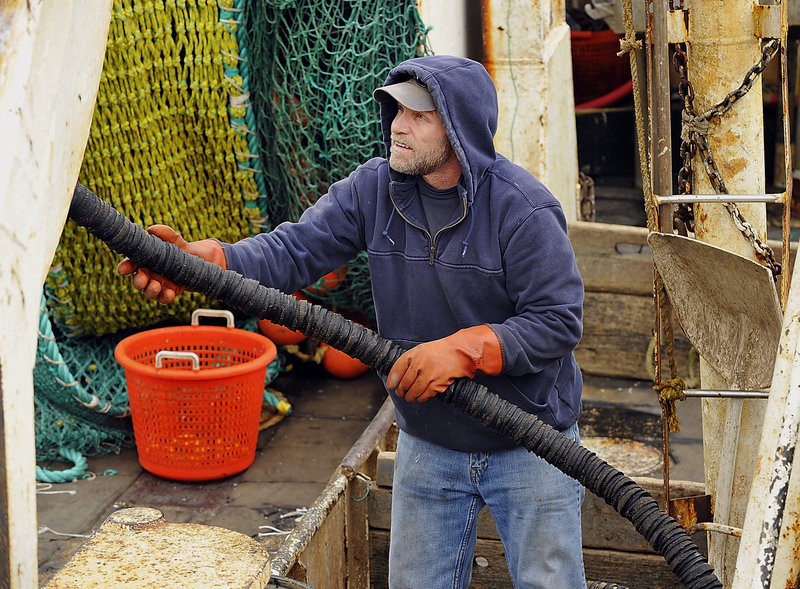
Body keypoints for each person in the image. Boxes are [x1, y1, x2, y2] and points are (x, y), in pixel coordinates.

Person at [119, 55, 587, 589]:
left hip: (530, 440)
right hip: (429, 439)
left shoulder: (523, 210)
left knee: (550, 583)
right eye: (394, 112)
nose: (398, 127)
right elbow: (293, 250)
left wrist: (463, 350)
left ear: (459, 129)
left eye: (418, 116)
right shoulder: (374, 188)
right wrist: (207, 264)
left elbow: (558, 321)